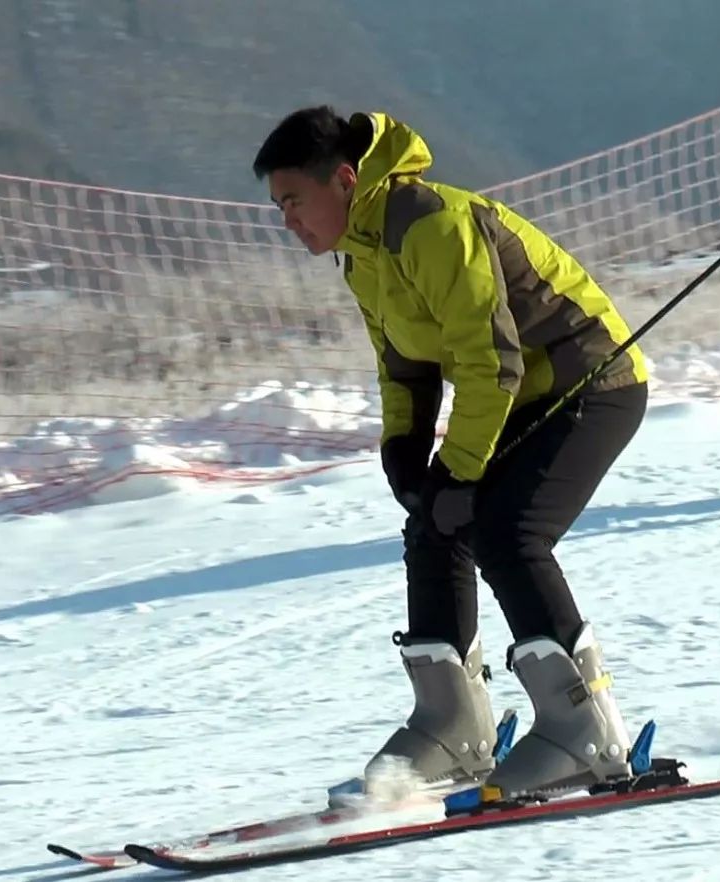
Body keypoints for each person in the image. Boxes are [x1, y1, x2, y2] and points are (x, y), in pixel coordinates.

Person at [252, 107, 650, 798]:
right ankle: (452, 732)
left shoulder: (428, 222)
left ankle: (588, 734)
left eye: (294, 200)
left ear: (343, 180)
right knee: (434, 527)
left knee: (508, 532)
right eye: (279, 205)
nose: (287, 219)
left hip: (591, 381)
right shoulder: (363, 253)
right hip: (522, 394)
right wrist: (405, 452)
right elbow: (404, 366)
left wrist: (459, 470)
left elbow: (490, 360)